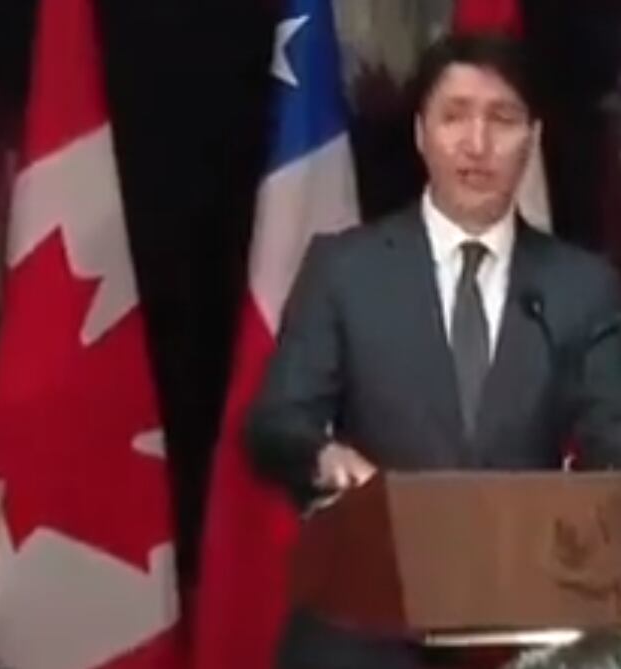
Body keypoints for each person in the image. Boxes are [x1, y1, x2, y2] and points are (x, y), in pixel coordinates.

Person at [247, 32, 621, 669]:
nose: (477, 144)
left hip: (520, 633)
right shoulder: (345, 269)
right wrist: (325, 455)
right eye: (454, 117)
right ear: (421, 133)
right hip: (363, 624)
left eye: (501, 119)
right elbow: (275, 423)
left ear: (532, 136)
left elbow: (612, 442)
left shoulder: (581, 286)